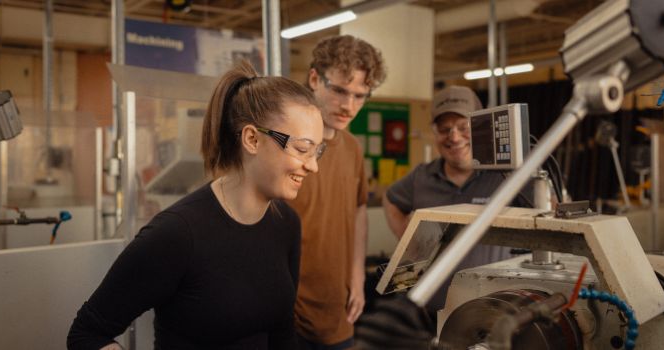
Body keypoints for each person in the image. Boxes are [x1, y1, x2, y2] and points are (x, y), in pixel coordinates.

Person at [67, 60, 325, 349]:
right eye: (302, 149)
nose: (313, 165)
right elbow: (86, 334)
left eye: (317, 151)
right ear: (252, 139)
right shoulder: (177, 234)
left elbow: (282, 333)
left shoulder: (286, 224)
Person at [382, 85, 532, 313]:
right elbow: (390, 199)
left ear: (481, 127)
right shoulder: (422, 176)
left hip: (492, 311)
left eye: (464, 127)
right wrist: (408, 239)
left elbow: (547, 213)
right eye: (445, 129)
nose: (454, 136)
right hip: (429, 311)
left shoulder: (509, 176)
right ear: (434, 132)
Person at [288, 35, 386, 350]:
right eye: (340, 91)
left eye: (360, 96)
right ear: (314, 78)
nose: (349, 106)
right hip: (286, 313)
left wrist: (357, 276)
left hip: (339, 311)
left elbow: (358, 210)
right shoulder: (285, 144)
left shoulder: (353, 148)